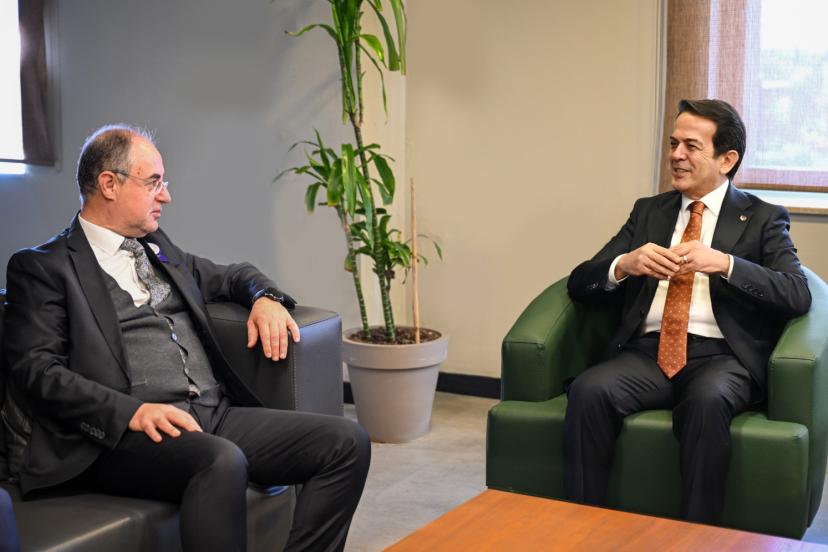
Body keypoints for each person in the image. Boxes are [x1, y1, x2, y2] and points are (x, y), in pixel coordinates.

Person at [3, 124, 370, 552]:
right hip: (117, 437)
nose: (166, 196)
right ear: (109, 184)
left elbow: (232, 275)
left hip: (211, 414)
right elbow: (38, 371)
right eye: (154, 182)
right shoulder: (42, 267)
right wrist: (132, 412)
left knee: (346, 443)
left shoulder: (156, 247)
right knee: (220, 461)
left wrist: (265, 298)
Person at [563, 99, 811, 523]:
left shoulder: (763, 217)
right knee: (589, 390)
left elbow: (796, 292)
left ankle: (697, 535)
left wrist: (726, 264)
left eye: (691, 146)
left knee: (707, 401)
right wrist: (625, 264)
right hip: (647, 353)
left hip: (723, 357)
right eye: (673, 143)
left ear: (726, 159)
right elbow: (580, 282)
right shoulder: (649, 211)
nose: (676, 155)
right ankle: (583, 525)